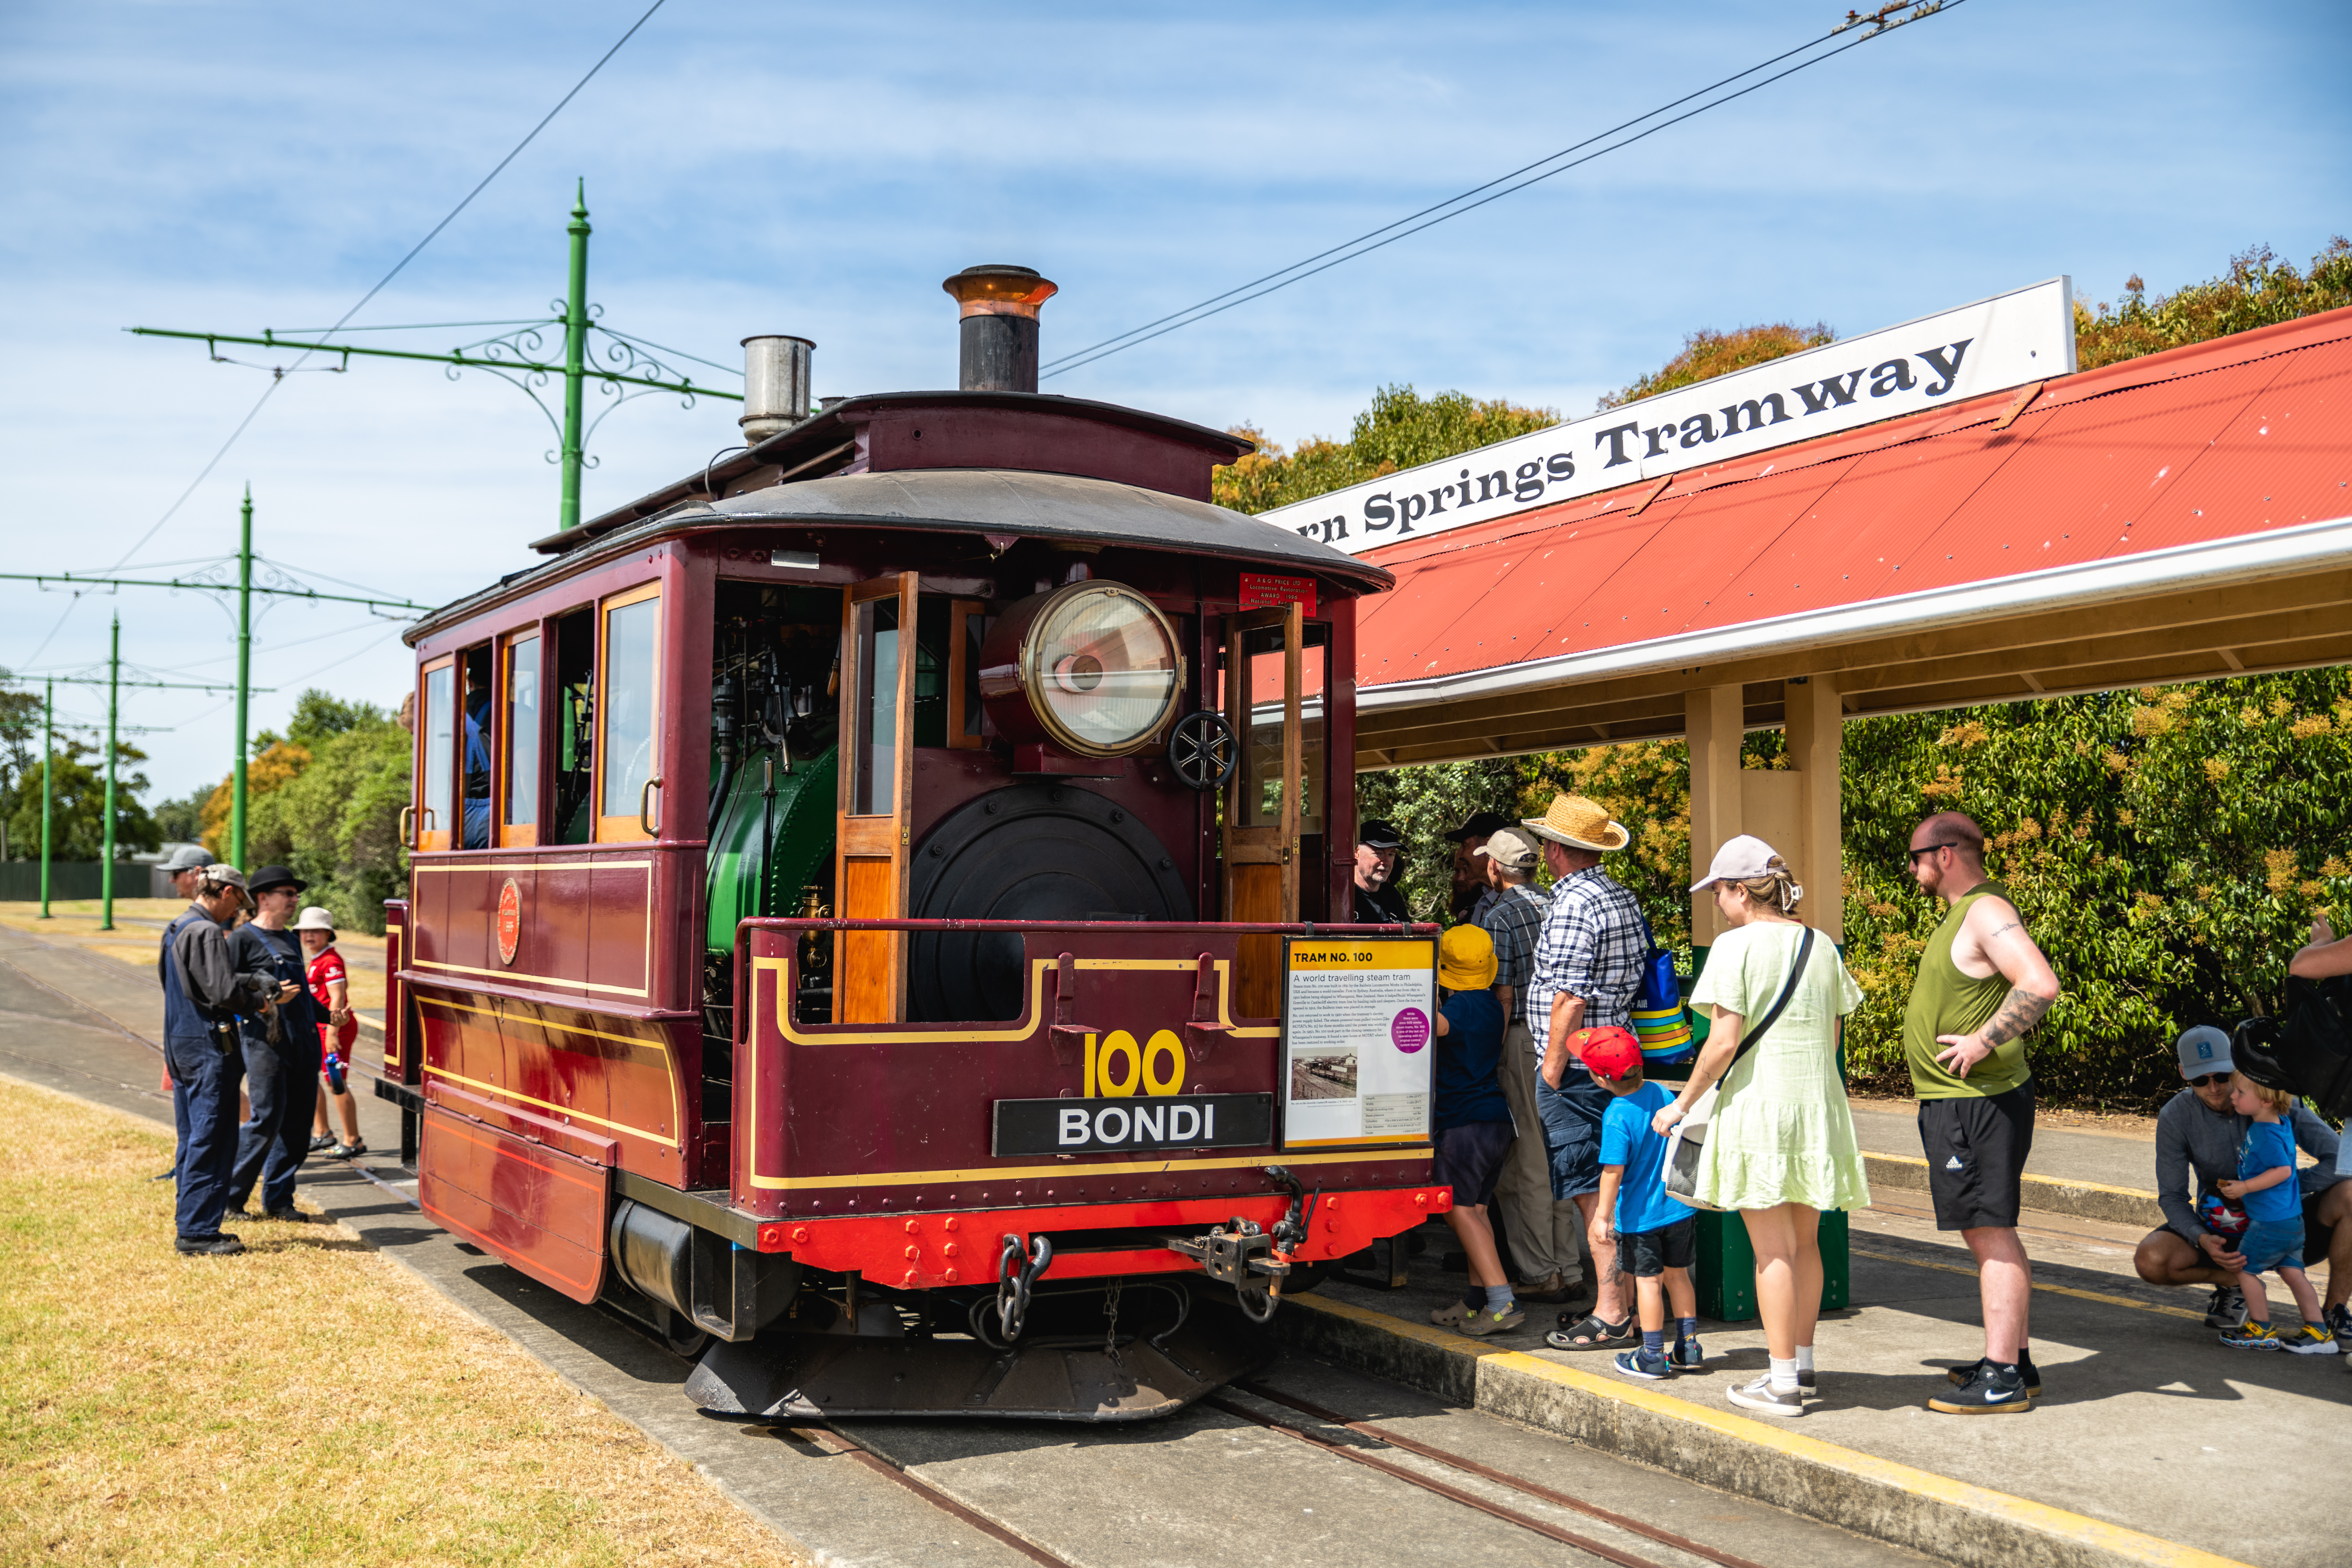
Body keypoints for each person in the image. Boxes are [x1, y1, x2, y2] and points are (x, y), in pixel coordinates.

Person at [1653, 836, 1870, 1417]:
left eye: (1719, 892)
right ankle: (1800, 1361)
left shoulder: (1735, 947)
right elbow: (1832, 1035)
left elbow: (1723, 1042)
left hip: (1761, 1108)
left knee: (1770, 1251)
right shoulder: (1821, 944)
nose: (1717, 903)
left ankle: (1780, 1386)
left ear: (1742, 891)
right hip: (1817, 1105)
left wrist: (1681, 1105)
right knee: (1805, 1244)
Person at [1900, 811, 2060, 1415]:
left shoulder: (1985, 911)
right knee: (1986, 1228)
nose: (1912, 870)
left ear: (1945, 855)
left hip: (1977, 1103)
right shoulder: (1964, 915)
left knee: (1990, 1231)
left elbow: (2039, 983)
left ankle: (2003, 1377)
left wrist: (1982, 1041)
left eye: (1915, 857)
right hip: (1963, 1103)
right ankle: (2013, 1360)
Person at [1519, 793, 1646, 1352]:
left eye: (1548, 842)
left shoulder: (1572, 904)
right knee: (1619, 1179)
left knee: (1589, 1190)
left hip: (1573, 1064)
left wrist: (1549, 1072)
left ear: (1557, 850)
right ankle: (1632, 1304)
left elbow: (1568, 996)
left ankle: (1612, 1312)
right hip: (1616, 1055)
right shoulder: (1621, 896)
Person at [2133, 1025, 2346, 1338]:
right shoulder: (2175, 1116)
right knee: (2151, 1259)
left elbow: (2342, 1160)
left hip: (2285, 1223)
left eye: (2222, 1075)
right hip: (2223, 1226)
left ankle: (2334, 1312)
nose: (2215, 1088)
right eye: (2200, 1080)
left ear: (2237, 1064)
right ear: (2183, 1073)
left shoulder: (2273, 1096)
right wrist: (2201, 1238)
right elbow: (2173, 1197)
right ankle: (2235, 1283)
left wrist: (2279, 1187)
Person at [1476, 827, 1579, 1305]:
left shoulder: (1501, 916)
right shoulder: (1555, 904)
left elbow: (1503, 994)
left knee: (1527, 1162)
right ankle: (1569, 1264)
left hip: (1518, 1038)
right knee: (1559, 1152)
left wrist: (1486, 1056)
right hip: (1562, 1037)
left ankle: (1541, 1271)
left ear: (1495, 867)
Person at [160, 865, 274, 1254]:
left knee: (194, 1135)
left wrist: (248, 979)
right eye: (238, 901)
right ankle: (196, 1232)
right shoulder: (207, 931)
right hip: (209, 1043)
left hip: (181, 1039)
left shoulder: (178, 926)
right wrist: (258, 1000)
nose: (237, 911)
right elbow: (221, 991)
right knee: (213, 1136)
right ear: (226, 891)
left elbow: (193, 981)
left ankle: (196, 1220)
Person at [1577, 1027, 1701, 1382]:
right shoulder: (1662, 1093)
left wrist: (1602, 1217)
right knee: (1679, 1276)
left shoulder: (1617, 1115)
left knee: (1649, 1283)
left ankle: (1651, 1355)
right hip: (1678, 1208)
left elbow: (1612, 1173)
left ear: (1600, 1078)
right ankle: (1688, 1347)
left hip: (1641, 1217)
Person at [1425, 924, 1521, 1336]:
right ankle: (1476, 1300)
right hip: (1495, 1121)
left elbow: (1429, 1027)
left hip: (1464, 1123)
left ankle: (1501, 1302)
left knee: (1457, 1208)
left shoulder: (1459, 1008)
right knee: (1477, 1211)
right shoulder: (1489, 1004)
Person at [226, 866, 324, 1223]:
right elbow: (225, 984)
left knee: (297, 1126)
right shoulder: (242, 939)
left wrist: (331, 1016)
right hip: (266, 1042)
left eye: (296, 895)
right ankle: (231, 1199)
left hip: (303, 1041)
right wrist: (265, 990)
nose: (295, 900)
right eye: (288, 894)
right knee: (265, 1121)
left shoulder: (291, 940)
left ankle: (279, 1200)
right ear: (264, 898)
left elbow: (302, 996)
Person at [2214, 1072, 2337, 1353]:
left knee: (2244, 1271)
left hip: (2270, 1223)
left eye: (2241, 1093)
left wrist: (2245, 1187)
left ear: (2267, 1101)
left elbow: (2282, 1171)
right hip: (2292, 1221)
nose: (2232, 1096)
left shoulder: (2264, 1133)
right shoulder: (2280, 1123)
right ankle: (2319, 1333)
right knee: (2293, 1273)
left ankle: (2261, 1329)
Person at [154, 844, 218, 1183]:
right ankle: (185, 1166)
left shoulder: (218, 924)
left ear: (196, 874)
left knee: (212, 1102)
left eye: (176, 874)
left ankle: (260, 1140)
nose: (171, 882)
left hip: (209, 1034)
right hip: (185, 1031)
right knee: (189, 1107)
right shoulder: (187, 924)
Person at [296, 906, 365, 1159]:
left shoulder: (331, 961)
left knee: (336, 1082)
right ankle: (322, 1132)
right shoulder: (317, 960)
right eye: (305, 931)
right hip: (320, 1029)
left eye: (316, 931)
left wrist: (333, 1033)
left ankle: (352, 1140)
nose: (309, 936)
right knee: (309, 1079)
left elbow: (337, 998)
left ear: (328, 934)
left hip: (334, 1030)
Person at [1444, 810, 1512, 926]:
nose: (1461, 856)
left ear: (1488, 846)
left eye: (1466, 846)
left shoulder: (1514, 904)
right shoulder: (1484, 902)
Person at [1351, 818, 1412, 924]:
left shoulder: (1393, 897)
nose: (1386, 862)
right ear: (1357, 853)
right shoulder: (1342, 896)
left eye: (1391, 855)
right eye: (1379, 853)